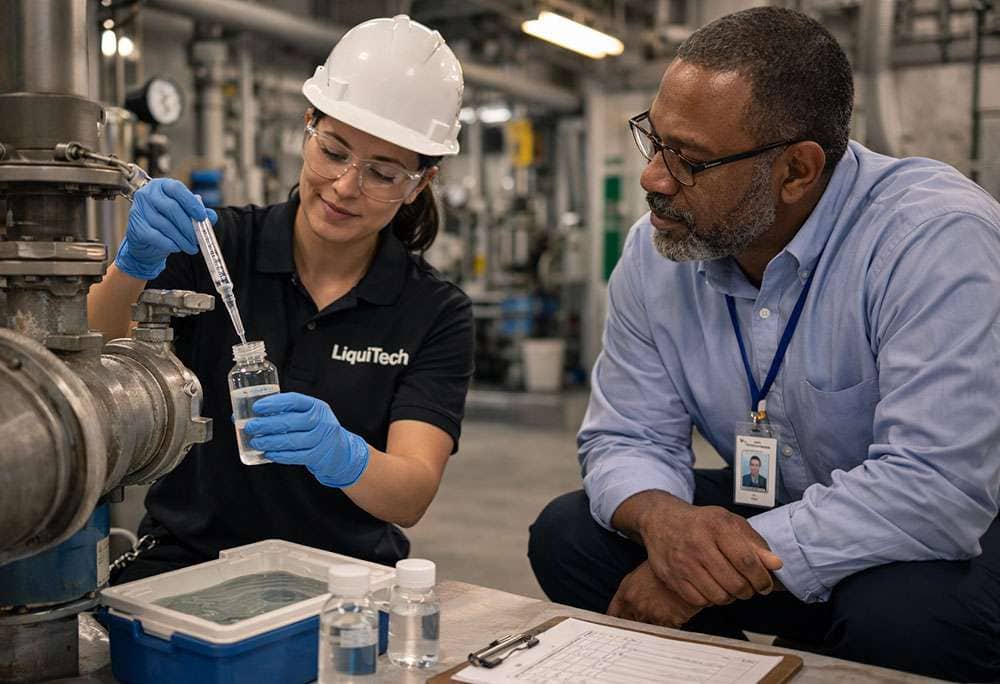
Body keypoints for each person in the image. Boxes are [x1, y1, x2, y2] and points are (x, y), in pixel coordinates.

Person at [528, 7, 1000, 681]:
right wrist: (664, 522)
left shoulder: (932, 238)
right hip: (781, 501)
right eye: (653, 140)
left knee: (902, 614)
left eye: (689, 160)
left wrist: (701, 573)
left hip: (953, 529)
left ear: (797, 171)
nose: (654, 178)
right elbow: (625, 436)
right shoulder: (655, 254)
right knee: (571, 534)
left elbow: (936, 487)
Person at [89, 15, 474, 583]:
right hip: (189, 560)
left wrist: (344, 455)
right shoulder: (218, 245)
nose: (345, 186)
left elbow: (410, 494)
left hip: (346, 578)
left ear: (420, 182)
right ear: (307, 128)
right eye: (334, 152)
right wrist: (131, 266)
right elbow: (91, 357)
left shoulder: (434, 311)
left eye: (382, 173)